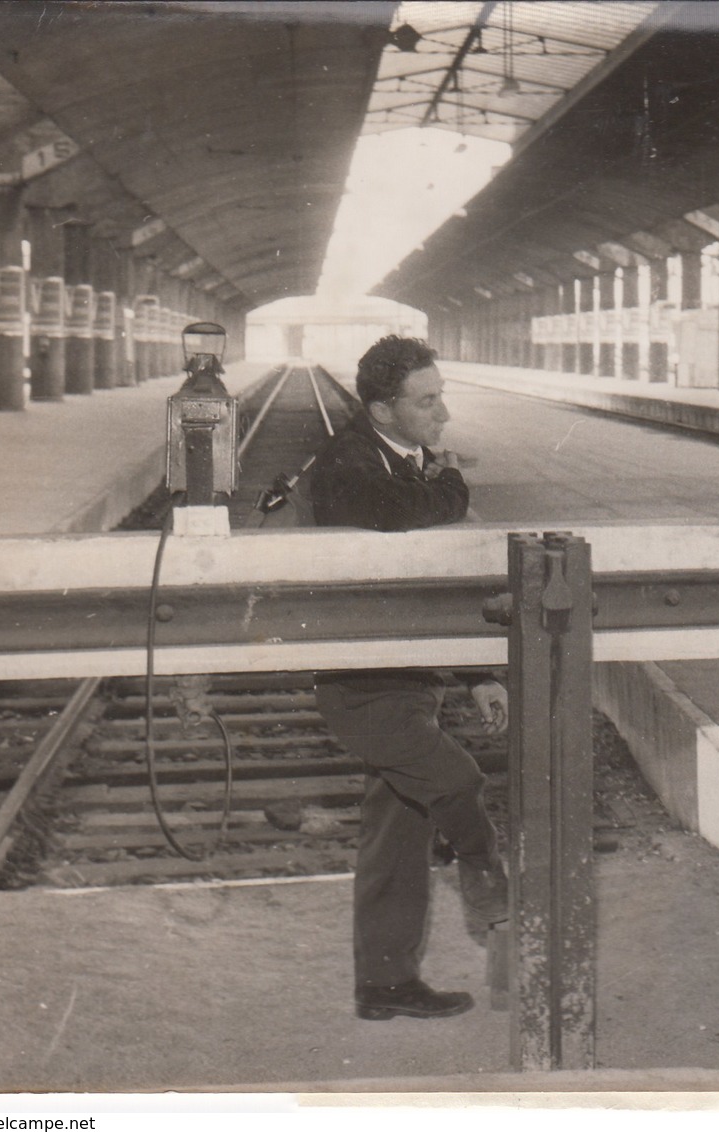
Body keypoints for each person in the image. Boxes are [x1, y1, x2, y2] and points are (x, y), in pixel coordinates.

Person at [311, 335, 510, 1023]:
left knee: (398, 830)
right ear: (381, 409)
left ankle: (385, 984)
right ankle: (485, 868)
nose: (442, 413)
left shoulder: (403, 455)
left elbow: (439, 579)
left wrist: (478, 671)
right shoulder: (346, 464)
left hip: (407, 669)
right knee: (454, 781)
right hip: (364, 681)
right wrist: (452, 484)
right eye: (427, 401)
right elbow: (397, 516)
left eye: (441, 396)